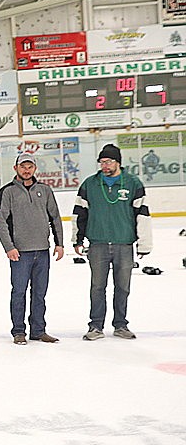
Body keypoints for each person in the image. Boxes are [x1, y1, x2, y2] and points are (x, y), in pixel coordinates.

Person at [73, 143, 152, 341]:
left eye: (108, 162)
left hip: (123, 244)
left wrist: (144, 244)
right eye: (101, 162)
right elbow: (79, 214)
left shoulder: (133, 183)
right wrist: (77, 239)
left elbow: (142, 215)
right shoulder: (89, 184)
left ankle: (120, 325)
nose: (104, 165)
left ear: (118, 162)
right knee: (97, 287)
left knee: (123, 287)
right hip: (98, 244)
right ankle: (95, 326)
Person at [0, 153, 64, 345]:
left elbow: (55, 217)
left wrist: (59, 243)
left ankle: (38, 330)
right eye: (23, 166)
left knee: (40, 293)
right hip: (20, 253)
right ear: (16, 168)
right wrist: (9, 247)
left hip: (42, 251)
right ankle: (18, 331)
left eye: (30, 167)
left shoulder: (45, 190)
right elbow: (0, 221)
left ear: (34, 169)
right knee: (19, 292)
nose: (27, 170)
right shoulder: (6, 192)